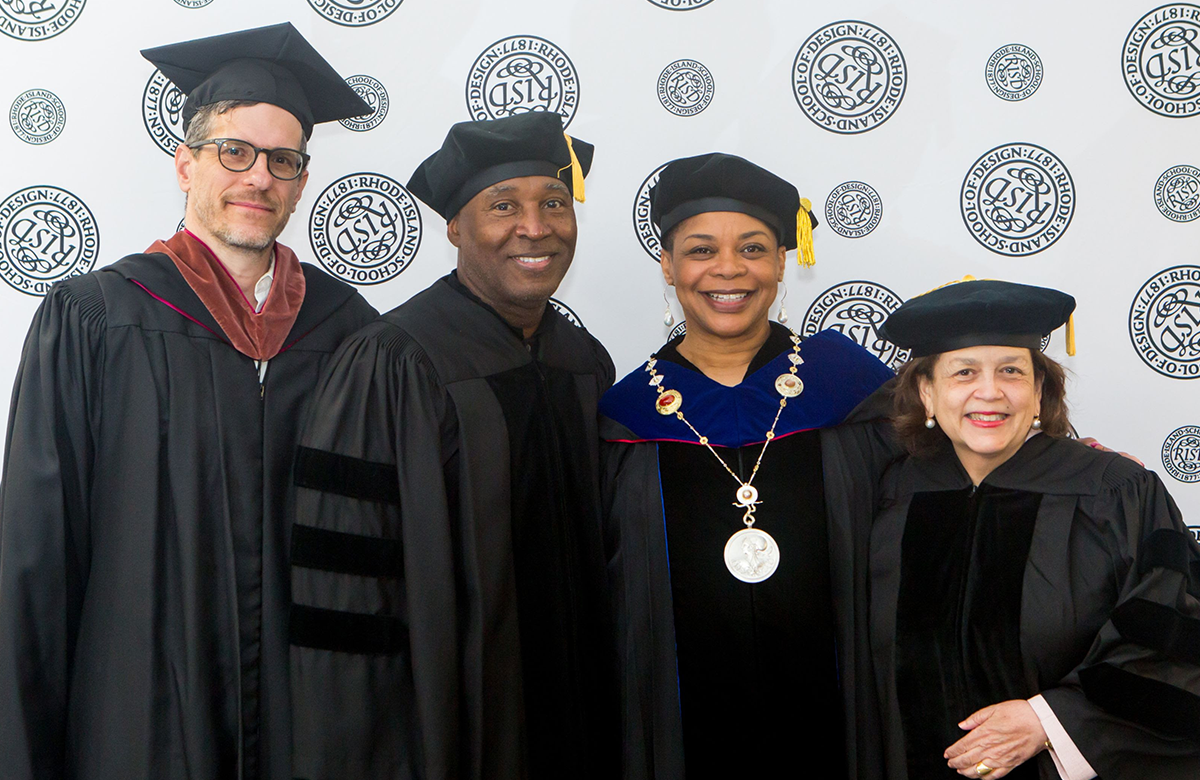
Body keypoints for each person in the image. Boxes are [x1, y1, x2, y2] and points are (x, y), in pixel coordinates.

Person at [0, 23, 377, 780]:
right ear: (185, 164)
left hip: (310, 727)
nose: (258, 177)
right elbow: (37, 559)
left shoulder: (353, 336)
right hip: (139, 718)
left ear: (303, 180)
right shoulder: (98, 318)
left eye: (282, 159)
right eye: (234, 151)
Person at [288, 112, 620, 780]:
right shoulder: (391, 363)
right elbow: (342, 591)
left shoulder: (586, 364)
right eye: (503, 206)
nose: (535, 227)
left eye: (554, 203)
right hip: (444, 730)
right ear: (454, 228)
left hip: (583, 721)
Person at [598, 152, 897, 779]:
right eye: (701, 249)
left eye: (754, 248)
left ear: (782, 263)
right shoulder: (622, 420)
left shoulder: (854, 391)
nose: (728, 269)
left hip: (839, 711)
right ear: (668, 265)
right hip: (683, 725)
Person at [870, 278, 1200, 779]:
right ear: (926, 392)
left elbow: (1174, 640)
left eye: (1011, 371)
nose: (990, 391)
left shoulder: (1115, 491)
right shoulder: (891, 491)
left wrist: (1052, 720)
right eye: (964, 372)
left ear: (1040, 390)